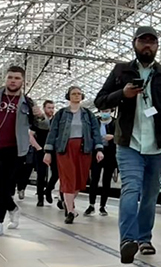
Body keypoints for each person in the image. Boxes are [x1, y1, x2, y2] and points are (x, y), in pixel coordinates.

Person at [95, 25, 161, 264]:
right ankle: (127, 240)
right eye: (143, 41)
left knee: (149, 195)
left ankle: (145, 238)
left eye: (152, 42)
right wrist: (122, 94)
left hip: (158, 145)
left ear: (157, 46)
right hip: (129, 143)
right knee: (131, 189)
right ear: (134, 44)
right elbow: (100, 100)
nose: (147, 45)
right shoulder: (120, 71)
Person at [43, 87, 104, 224]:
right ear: (68, 96)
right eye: (73, 94)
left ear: (82, 96)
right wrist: (48, 152)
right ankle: (70, 211)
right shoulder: (61, 114)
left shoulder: (88, 114)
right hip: (65, 149)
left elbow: (95, 132)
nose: (76, 96)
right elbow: (53, 132)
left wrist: (99, 149)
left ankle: (66, 202)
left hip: (84, 149)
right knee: (68, 178)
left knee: (80, 181)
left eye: (79, 94)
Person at [0, 66, 41, 235]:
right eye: (10, 77)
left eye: (17, 78)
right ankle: (12, 207)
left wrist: (39, 115)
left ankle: (0, 221)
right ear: (5, 78)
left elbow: (42, 125)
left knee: (2, 184)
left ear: (23, 81)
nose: (13, 80)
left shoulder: (28, 103)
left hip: (14, 149)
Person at [86, 109, 117, 216]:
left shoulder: (115, 123)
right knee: (94, 179)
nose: (105, 112)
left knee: (106, 180)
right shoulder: (94, 122)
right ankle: (91, 204)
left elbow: (122, 136)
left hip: (110, 155)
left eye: (107, 110)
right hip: (96, 153)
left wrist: (113, 137)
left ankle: (102, 206)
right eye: (103, 110)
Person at [30, 100, 58, 207]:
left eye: (52, 108)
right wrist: (38, 147)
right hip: (41, 150)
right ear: (44, 108)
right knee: (41, 174)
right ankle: (40, 198)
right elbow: (31, 135)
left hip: (53, 150)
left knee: (56, 172)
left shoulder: (56, 120)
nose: (51, 110)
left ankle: (49, 189)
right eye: (49, 107)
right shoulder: (38, 121)